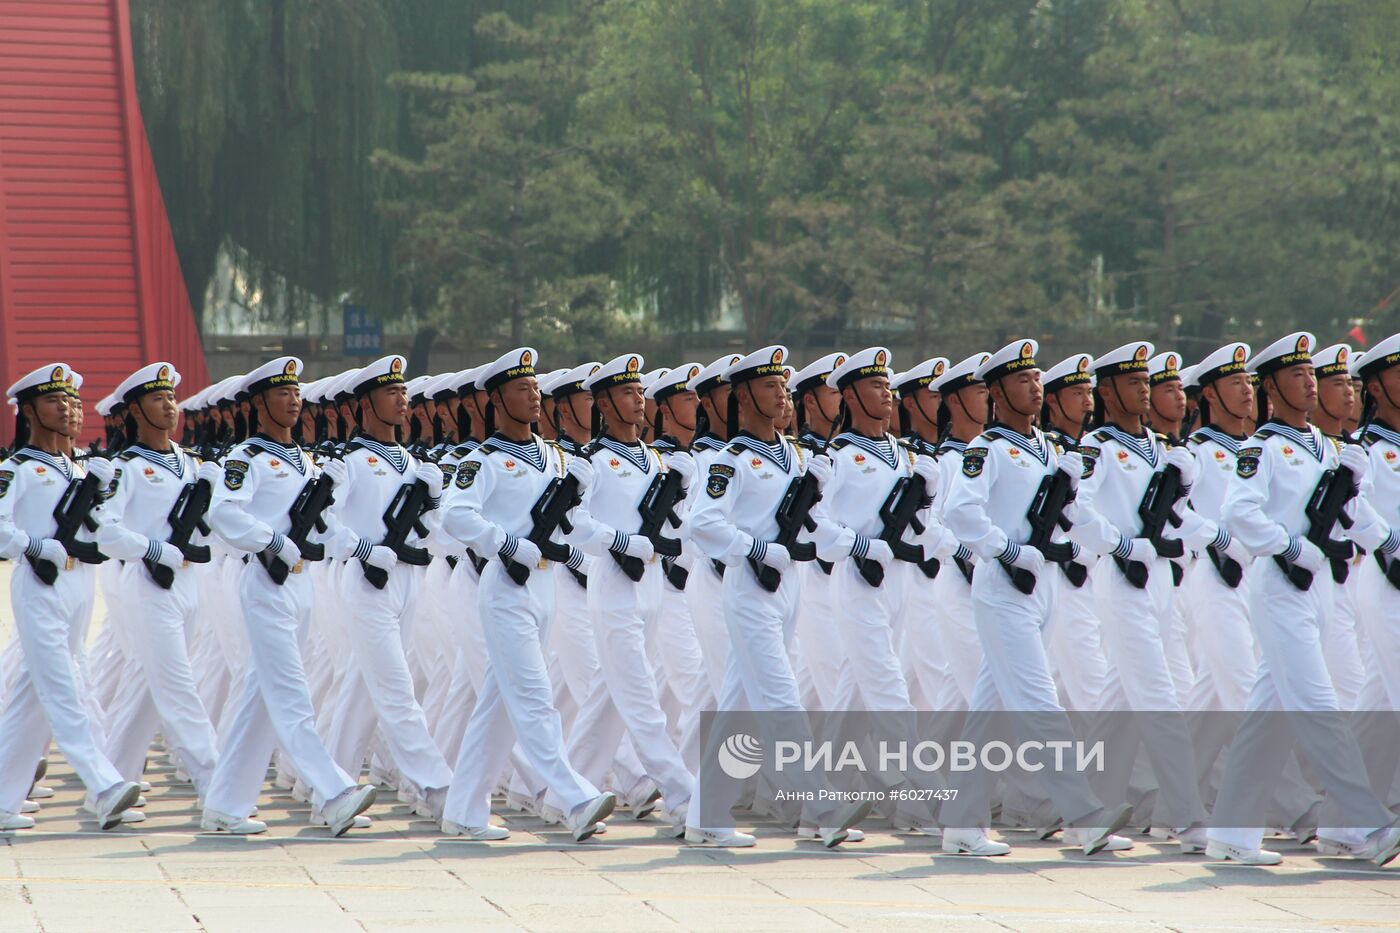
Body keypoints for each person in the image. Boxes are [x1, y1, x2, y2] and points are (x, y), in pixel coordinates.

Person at [1209, 333, 1400, 866]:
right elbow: (1238, 514)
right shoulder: (1262, 447)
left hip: (1319, 591)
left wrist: (1388, 543)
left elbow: (1357, 512)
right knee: (1317, 705)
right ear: (1271, 386)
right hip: (1279, 587)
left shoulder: (1328, 447)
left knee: (1266, 717)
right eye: (1296, 376)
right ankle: (1368, 821)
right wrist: (1291, 545)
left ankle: (1231, 833)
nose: (1309, 383)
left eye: (1311, 374)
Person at [938, 339, 1131, 856]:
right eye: (1022, 380)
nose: (1035, 386)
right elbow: (959, 513)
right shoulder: (987, 450)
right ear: (998, 391)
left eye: (1037, 378)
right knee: (1038, 700)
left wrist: (1119, 545)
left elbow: (1077, 513)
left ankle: (960, 821)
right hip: (1003, 586)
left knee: (989, 708)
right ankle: (1084, 813)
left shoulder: (1050, 449)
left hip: (1042, 586)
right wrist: (1006, 549)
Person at [438, 347, 616, 841]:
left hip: (544, 586)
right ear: (497, 398)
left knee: (498, 703)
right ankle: (572, 795)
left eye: (536, 387)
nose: (534, 395)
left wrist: (610, 540)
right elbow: (456, 514)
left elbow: (572, 523)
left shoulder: (556, 456)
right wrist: (506, 543)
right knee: (535, 696)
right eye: (522, 388)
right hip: (505, 587)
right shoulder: (484, 460)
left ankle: (463, 810)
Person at [199, 357, 377, 836]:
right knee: (291, 693)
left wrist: (359, 547)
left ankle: (225, 804)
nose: (294, 400)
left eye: (297, 392)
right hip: (265, 581)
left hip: (300, 584)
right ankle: (333, 791)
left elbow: (323, 525)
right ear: (259, 403)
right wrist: (273, 541)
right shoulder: (246, 458)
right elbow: (224, 514)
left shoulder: (307, 459)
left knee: (262, 695)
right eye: (283, 393)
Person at [559, 353, 697, 836]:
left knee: (609, 700)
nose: (637, 400)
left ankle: (569, 793)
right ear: (602, 402)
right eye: (625, 393)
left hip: (653, 587)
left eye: (640, 392)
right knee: (641, 700)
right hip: (615, 587)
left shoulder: (658, 460)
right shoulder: (591, 461)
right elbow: (572, 523)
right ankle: (687, 800)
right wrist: (620, 542)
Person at [0, 364, 141, 832]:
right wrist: (36, 546)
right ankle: (103, 784)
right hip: (39, 583)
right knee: (63, 687)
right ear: (29, 412)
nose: (69, 410)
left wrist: (102, 494)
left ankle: (3, 799)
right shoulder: (15, 469)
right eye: (55, 402)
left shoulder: (82, 468)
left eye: (74, 402)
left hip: (81, 582)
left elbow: (100, 529)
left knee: (34, 694)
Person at [317, 355, 453, 822]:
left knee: (362, 689)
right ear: (366, 403)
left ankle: (329, 793)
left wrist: (433, 500)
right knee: (396, 689)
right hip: (366, 581)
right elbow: (320, 524)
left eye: (403, 391)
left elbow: (436, 537)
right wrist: (360, 549)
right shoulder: (349, 463)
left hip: (409, 579)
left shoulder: (417, 464)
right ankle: (439, 790)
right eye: (390, 392)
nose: (402, 399)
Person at [93, 363, 222, 801]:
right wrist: (149, 548)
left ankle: (109, 785)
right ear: (135, 411)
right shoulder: (124, 468)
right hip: (148, 583)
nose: (169, 406)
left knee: (145, 688)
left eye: (170, 398)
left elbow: (210, 526)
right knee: (178, 684)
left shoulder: (192, 465)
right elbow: (103, 531)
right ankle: (216, 784)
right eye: (156, 399)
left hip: (189, 582)